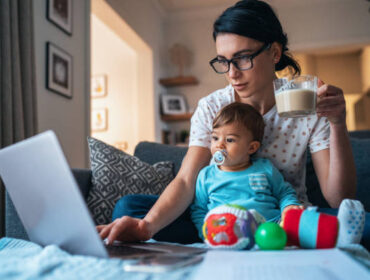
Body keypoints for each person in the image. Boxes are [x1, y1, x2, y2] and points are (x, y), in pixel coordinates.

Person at [97, 0, 358, 245]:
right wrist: (146, 227)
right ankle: (226, 236)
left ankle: (285, 235)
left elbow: (339, 199)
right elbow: (187, 181)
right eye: (224, 61)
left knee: (361, 222)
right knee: (130, 209)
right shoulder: (211, 107)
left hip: (284, 219)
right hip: (219, 218)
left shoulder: (306, 103)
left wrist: (337, 123)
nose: (232, 73)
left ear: (275, 53)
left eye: (243, 58)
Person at [190, 102, 302, 239]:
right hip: (227, 235)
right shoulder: (206, 176)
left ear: (252, 148)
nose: (219, 145)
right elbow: (198, 210)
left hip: (271, 229)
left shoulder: (264, 168)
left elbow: (284, 193)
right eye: (215, 138)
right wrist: (207, 234)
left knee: (307, 224)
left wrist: (289, 207)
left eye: (229, 140)